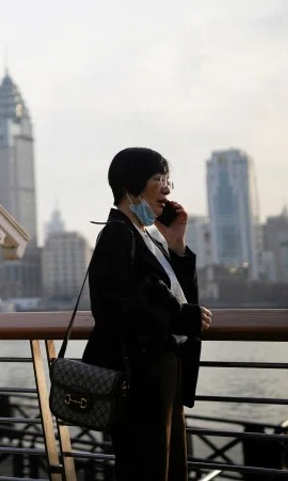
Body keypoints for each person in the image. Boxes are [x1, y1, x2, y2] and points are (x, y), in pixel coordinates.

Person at [81, 147, 213, 481]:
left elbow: (177, 298)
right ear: (131, 188)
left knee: (167, 469)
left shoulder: (145, 237)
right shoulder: (117, 234)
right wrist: (178, 318)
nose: (168, 189)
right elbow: (111, 308)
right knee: (147, 470)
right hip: (138, 384)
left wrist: (176, 244)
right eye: (158, 179)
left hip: (159, 381)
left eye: (168, 179)